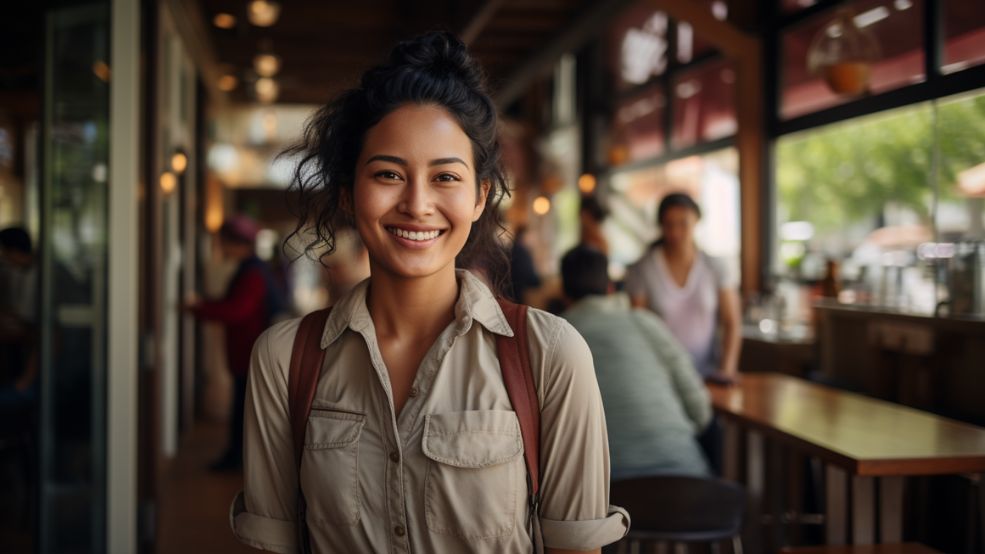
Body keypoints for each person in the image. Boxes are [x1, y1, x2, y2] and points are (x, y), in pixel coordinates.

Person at [230, 32, 628, 554]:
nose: (417, 204)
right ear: (349, 195)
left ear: (481, 196)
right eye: (389, 174)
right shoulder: (284, 361)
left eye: (445, 177)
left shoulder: (549, 355)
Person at [560, 246, 711, 479]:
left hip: (609, 497)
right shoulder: (644, 323)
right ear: (610, 287)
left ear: (564, 293)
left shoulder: (554, 338)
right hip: (688, 479)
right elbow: (700, 410)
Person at [187, 214, 284, 471]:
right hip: (248, 350)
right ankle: (237, 458)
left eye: (222, 242)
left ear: (237, 243)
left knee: (244, 409)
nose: (219, 248)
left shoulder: (252, 273)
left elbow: (238, 310)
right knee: (243, 407)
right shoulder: (252, 269)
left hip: (250, 350)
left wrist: (199, 309)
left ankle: (237, 461)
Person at [624, 193, 742, 383]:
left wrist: (726, 370)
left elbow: (732, 322)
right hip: (662, 377)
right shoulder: (643, 269)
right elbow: (639, 328)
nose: (675, 232)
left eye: (683, 223)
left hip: (709, 375)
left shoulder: (715, 267)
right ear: (661, 226)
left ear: (696, 221)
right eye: (669, 225)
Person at [508, 224, 541, 304]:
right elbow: (532, 279)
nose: (534, 240)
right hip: (518, 298)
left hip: (508, 296)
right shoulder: (522, 253)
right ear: (524, 236)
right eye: (532, 236)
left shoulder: (511, 249)